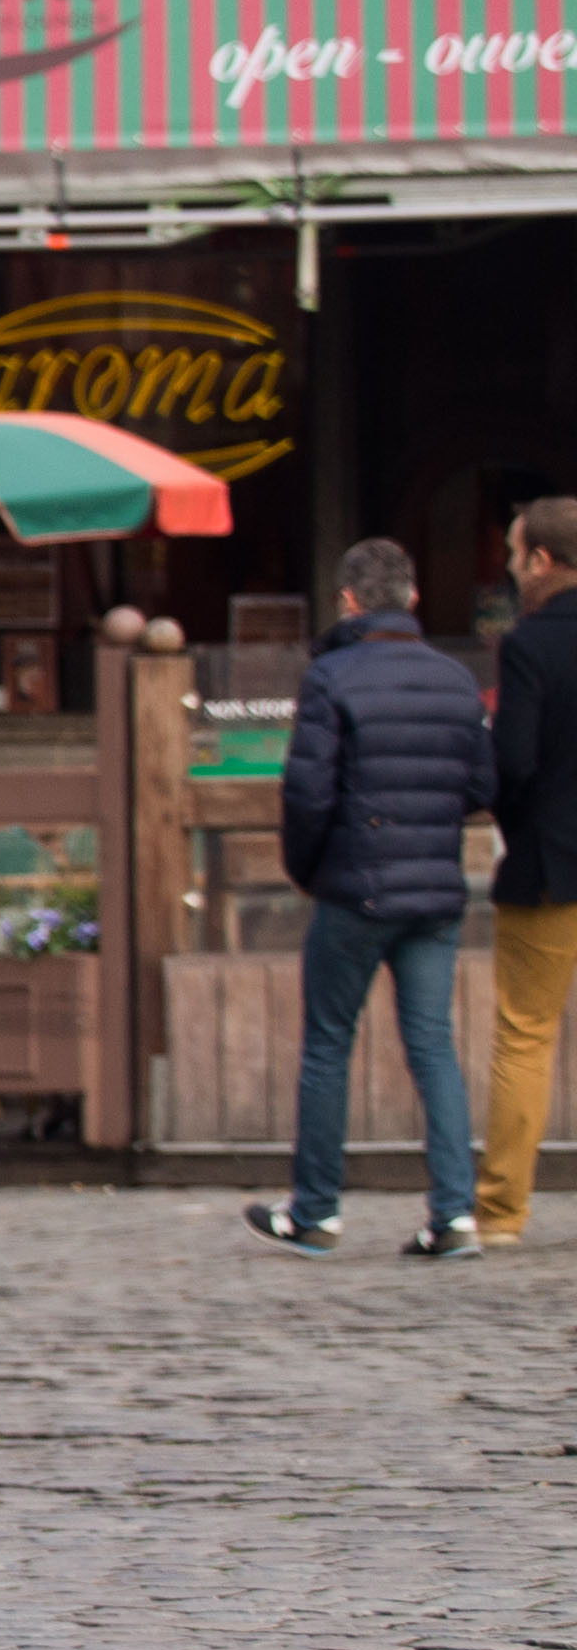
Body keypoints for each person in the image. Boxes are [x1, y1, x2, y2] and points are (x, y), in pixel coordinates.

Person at [247, 534, 497, 1262]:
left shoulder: (330, 677)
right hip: (435, 890)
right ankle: (454, 1215)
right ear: (412, 597)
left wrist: (309, 869)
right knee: (433, 1047)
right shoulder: (456, 679)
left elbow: (307, 793)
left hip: (354, 889)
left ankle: (316, 1212)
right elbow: (482, 785)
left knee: (328, 1043)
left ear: (349, 601)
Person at [488, 500, 577, 1246]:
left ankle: (502, 1213)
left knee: (525, 1036)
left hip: (552, 864)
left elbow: (511, 763)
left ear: (543, 561)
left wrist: (511, 816)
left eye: (517, 556)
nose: (512, 569)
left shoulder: (529, 645)